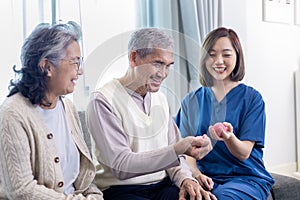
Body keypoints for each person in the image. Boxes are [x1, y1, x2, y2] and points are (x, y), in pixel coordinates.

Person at [86, 27, 216, 200]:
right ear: (134, 58)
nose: (163, 74)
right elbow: (122, 166)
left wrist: (185, 179)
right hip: (121, 191)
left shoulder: (160, 99)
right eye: (157, 63)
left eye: (168, 66)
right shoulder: (103, 101)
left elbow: (175, 159)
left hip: (162, 186)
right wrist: (177, 149)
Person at [0, 21, 103, 199]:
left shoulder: (68, 108)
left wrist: (94, 195)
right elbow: (21, 190)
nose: (79, 71)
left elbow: (85, 179)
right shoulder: (12, 113)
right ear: (47, 67)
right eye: (74, 62)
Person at [174, 27, 275, 200]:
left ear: (237, 57)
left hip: (245, 178)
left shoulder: (252, 99)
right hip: (204, 177)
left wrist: (229, 138)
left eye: (226, 54)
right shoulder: (191, 101)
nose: (218, 61)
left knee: (221, 197)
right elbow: (185, 152)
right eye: (212, 54)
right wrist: (196, 175)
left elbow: (244, 153)